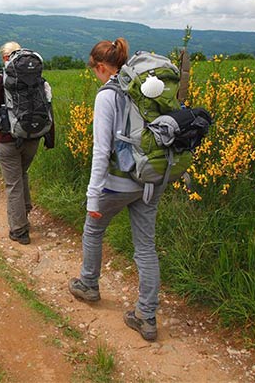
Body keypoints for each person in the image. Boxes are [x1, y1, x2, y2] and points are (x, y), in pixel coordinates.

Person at [68, 37, 165, 342]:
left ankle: (89, 285)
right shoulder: (146, 87)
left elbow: (101, 150)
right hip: (150, 179)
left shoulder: (107, 95)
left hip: (117, 183)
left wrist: (92, 195)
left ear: (99, 67)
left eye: (93, 70)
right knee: (146, 248)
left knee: (93, 230)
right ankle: (146, 317)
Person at [0, 41, 54, 245]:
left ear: (5, 58)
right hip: (33, 138)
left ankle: (19, 230)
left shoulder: (1, 80)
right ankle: (24, 212)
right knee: (21, 174)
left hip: (7, 140)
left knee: (13, 183)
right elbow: (47, 109)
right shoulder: (39, 81)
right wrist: (49, 138)